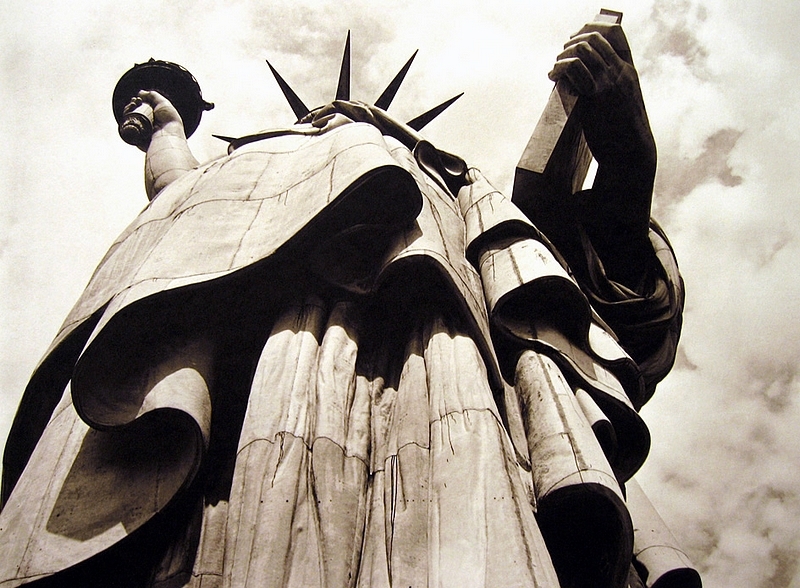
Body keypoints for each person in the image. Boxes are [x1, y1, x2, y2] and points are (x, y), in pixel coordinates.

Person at [0, 19, 685, 588]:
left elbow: (570, 274)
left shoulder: (444, 184)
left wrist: (626, 149)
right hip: (255, 356)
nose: (333, 124)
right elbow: (181, 216)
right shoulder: (254, 172)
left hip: (433, 327)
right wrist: (166, 131)